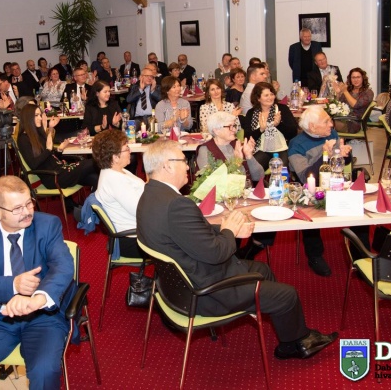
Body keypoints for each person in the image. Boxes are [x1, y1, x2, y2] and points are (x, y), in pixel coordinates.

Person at [137, 140, 337, 360]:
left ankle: (290, 333)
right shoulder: (177, 205)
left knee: (263, 269)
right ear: (167, 166)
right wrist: (229, 231)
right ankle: (294, 345)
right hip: (205, 292)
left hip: (180, 284)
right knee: (288, 294)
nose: (188, 166)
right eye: (184, 161)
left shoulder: (151, 196)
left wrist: (224, 229)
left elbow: (188, 232)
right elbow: (216, 254)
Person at [0, 176, 74, 390]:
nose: (27, 212)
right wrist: (13, 285)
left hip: (42, 316)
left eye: (29, 203)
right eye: (17, 208)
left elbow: (63, 266)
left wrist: (38, 299)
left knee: (44, 371)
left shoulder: (47, 225)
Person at [288, 106, 353, 277]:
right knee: (309, 211)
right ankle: (315, 255)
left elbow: (343, 163)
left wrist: (344, 154)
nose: (331, 124)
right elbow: (306, 177)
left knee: (358, 206)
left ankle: (360, 252)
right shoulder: (296, 145)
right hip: (312, 190)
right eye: (326, 121)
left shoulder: (331, 134)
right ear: (312, 126)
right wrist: (325, 153)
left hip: (336, 183)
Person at [16, 104, 99, 189]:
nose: (40, 118)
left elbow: (50, 157)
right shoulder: (23, 139)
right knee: (93, 162)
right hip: (53, 177)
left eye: (40, 115)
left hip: (61, 170)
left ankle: (90, 198)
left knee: (95, 179)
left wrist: (59, 149)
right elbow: (33, 165)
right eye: (36, 115)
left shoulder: (37, 135)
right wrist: (48, 150)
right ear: (28, 117)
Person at [92, 130, 145, 257]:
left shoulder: (117, 172)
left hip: (139, 233)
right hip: (133, 239)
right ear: (115, 157)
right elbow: (141, 211)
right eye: (126, 148)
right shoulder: (114, 180)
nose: (130, 151)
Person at [244, 82, 299, 170]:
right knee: (251, 169)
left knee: (282, 172)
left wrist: (279, 125)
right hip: (261, 150)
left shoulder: (282, 109)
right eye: (266, 95)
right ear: (258, 98)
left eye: (272, 94)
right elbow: (247, 137)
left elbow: (293, 133)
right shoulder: (251, 113)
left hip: (282, 149)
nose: (270, 97)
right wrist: (261, 130)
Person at [196, 112, 264, 182]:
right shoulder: (205, 150)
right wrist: (236, 163)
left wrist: (249, 156)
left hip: (247, 187)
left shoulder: (237, 145)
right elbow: (211, 182)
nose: (234, 130)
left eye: (234, 126)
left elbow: (259, 177)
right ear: (216, 131)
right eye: (229, 127)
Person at [333, 68, 374, 133]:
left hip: (354, 123)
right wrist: (338, 93)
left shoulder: (368, 92)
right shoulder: (349, 90)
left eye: (358, 77)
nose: (356, 80)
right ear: (350, 79)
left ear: (363, 78)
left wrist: (345, 91)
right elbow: (338, 105)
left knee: (327, 124)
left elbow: (355, 105)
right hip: (342, 118)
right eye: (353, 77)